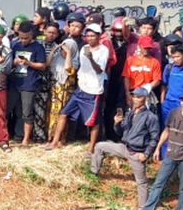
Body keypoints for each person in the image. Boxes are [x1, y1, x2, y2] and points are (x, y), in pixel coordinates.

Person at [136, 91, 183, 210]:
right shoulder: (174, 113)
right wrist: (157, 148)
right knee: (158, 183)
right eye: (182, 100)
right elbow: (166, 131)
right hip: (171, 153)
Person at [90, 87, 159, 208]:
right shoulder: (130, 113)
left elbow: (154, 138)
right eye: (134, 96)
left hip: (137, 153)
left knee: (142, 183)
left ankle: (143, 209)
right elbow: (120, 133)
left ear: (145, 99)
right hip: (125, 147)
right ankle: (93, 172)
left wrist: (146, 154)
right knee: (100, 146)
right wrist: (116, 123)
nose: (136, 99)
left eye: (139, 97)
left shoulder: (150, 117)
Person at [48, 22, 109, 151]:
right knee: (64, 113)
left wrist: (91, 58)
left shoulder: (103, 50)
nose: (90, 38)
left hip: (94, 91)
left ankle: (91, 148)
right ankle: (54, 142)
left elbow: (99, 70)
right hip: (80, 88)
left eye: (93, 36)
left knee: (93, 122)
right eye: (88, 35)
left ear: (99, 36)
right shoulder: (84, 48)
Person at [7, 20, 47, 147]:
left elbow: (42, 65)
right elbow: (9, 62)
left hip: (29, 84)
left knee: (26, 113)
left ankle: (25, 139)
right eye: (21, 38)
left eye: (26, 38)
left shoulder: (38, 47)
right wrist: (15, 62)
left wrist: (29, 63)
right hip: (15, 82)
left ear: (32, 35)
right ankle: (10, 134)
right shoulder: (15, 45)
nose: (23, 40)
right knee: (9, 109)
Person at [45, 22, 78, 137]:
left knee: (62, 114)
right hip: (55, 90)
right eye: (63, 50)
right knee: (52, 113)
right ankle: (51, 136)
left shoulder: (74, 61)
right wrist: (54, 50)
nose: (63, 52)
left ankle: (60, 137)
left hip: (65, 92)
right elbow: (48, 64)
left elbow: (69, 69)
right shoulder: (57, 57)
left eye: (67, 50)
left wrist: (69, 53)